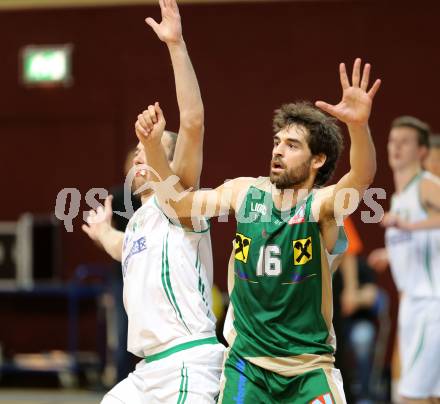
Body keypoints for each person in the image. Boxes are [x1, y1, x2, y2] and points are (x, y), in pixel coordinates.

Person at [136, 58, 381, 403]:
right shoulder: (243, 193)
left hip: (307, 369)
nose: (278, 150)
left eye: (292, 145)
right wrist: (151, 148)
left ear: (318, 161)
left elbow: (362, 176)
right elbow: (177, 205)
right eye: (278, 141)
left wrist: (359, 126)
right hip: (247, 366)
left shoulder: (321, 208)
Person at [82, 1, 224, 402]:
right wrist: (102, 231)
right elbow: (121, 247)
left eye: (155, 147)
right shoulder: (140, 223)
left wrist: (175, 45)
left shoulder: (181, 205)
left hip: (187, 364)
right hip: (145, 373)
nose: (143, 154)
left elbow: (193, 121)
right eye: (140, 149)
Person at [367, 117, 440, 404]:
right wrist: (391, 253)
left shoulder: (426, 185)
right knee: (432, 397)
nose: (396, 147)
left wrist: (408, 227)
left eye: (405, 141)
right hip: (413, 305)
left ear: (422, 151)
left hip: (430, 305)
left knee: (410, 397)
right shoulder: (400, 197)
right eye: (392, 140)